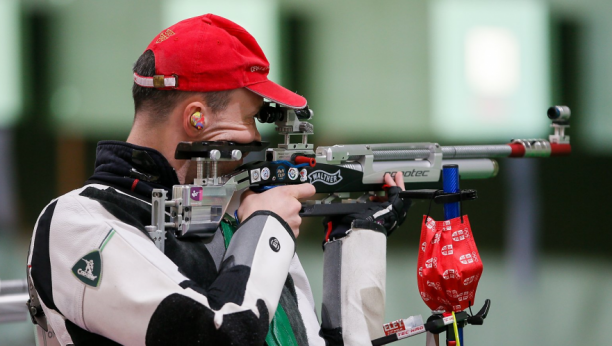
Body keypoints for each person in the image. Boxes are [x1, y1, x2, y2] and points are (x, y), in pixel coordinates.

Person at [26, 14, 409, 346]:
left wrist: (357, 238)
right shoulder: (77, 222)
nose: (258, 141)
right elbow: (220, 335)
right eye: (250, 119)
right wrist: (267, 227)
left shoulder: (234, 218)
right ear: (196, 118)